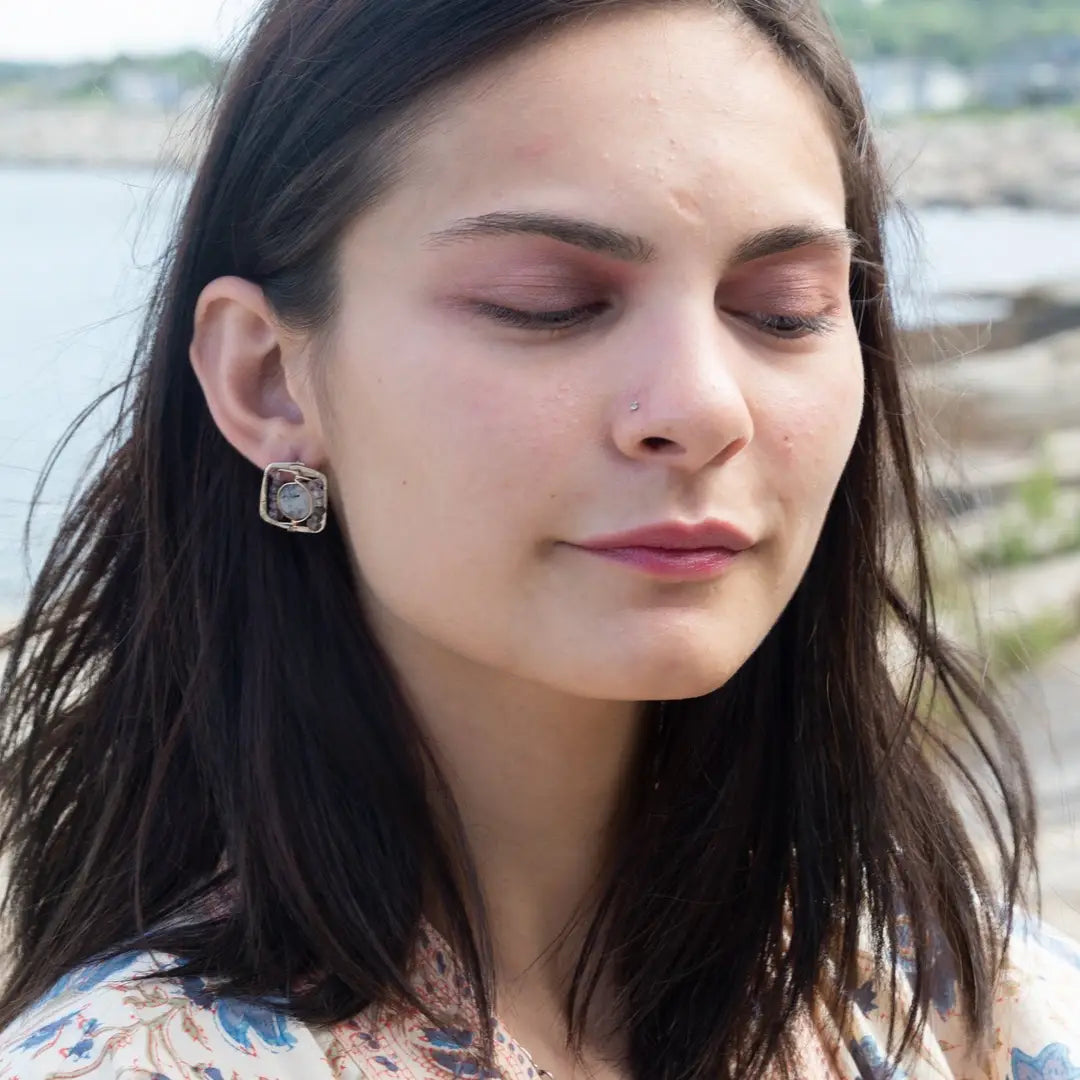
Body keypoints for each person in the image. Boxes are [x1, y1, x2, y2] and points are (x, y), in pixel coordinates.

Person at [0, 0, 1077, 1077]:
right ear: (269, 380)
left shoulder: (968, 1004)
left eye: (783, 310)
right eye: (547, 303)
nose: (704, 407)